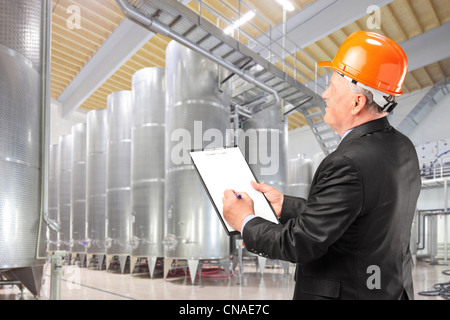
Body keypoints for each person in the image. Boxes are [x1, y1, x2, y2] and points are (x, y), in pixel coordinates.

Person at [222, 31, 421, 300]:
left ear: (357, 102)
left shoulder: (347, 162)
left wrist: (245, 221)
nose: (325, 94)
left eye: (332, 87)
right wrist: (286, 206)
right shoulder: (403, 148)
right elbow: (357, 219)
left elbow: (299, 244)